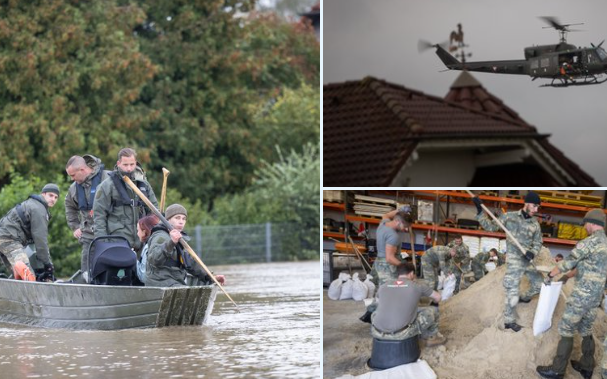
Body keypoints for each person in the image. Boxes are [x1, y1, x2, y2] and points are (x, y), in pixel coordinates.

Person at [537, 209, 607, 379]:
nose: (585, 228)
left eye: (585, 225)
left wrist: (551, 275)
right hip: (596, 298)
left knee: (566, 329)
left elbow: (569, 262)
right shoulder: (605, 243)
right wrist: (568, 277)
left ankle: (557, 370)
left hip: (581, 296)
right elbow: (587, 266)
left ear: (591, 223)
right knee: (586, 329)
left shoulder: (589, 242)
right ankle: (586, 366)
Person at [473, 191, 544, 332]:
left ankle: (525, 297)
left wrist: (532, 252)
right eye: (535, 206)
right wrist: (480, 211)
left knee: (539, 284)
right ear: (527, 204)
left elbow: (538, 242)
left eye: (538, 207)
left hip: (527, 260)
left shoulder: (535, 224)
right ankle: (509, 321)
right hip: (514, 261)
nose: (536, 210)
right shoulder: (509, 217)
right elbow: (491, 227)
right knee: (512, 291)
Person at [93, 148, 158, 250]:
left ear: (136, 163)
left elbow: (155, 212)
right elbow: (99, 217)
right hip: (117, 243)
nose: (129, 168)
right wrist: (103, 244)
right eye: (125, 165)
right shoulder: (107, 186)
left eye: (132, 164)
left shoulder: (144, 184)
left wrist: (155, 237)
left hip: (142, 243)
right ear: (118, 163)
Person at [146, 204, 225, 287]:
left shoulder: (179, 239)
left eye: (184, 219)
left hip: (175, 281)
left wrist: (211, 277)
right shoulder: (160, 236)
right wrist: (171, 243)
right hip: (160, 282)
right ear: (168, 219)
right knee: (185, 291)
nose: (181, 221)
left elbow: (190, 263)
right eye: (177, 218)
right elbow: (154, 259)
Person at [371, 262, 446, 347]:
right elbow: (438, 297)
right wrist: (433, 303)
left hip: (376, 332)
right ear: (411, 274)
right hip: (401, 334)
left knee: (375, 312)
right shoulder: (417, 286)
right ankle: (432, 338)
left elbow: (376, 303)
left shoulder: (383, 286)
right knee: (433, 310)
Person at [359, 206, 411, 323]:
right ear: (397, 221)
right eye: (405, 226)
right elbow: (390, 258)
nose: (406, 230)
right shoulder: (393, 236)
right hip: (386, 266)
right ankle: (380, 320)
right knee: (388, 293)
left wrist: (400, 210)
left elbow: (387, 215)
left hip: (378, 262)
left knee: (382, 292)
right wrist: (404, 266)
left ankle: (370, 313)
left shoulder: (383, 224)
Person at [64, 154, 111, 281]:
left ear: (82, 170)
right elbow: (69, 207)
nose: (72, 179)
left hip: (111, 233)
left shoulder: (108, 178)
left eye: (73, 175)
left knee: (110, 268)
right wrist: (75, 227)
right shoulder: (74, 188)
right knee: (86, 271)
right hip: (88, 236)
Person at [0, 183, 60, 282]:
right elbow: (40, 240)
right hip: (9, 239)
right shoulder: (39, 210)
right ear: (43, 194)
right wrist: (48, 265)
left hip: (4, 237)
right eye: (50, 195)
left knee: (18, 277)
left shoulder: (31, 203)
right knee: (29, 276)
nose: (53, 199)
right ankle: (19, 265)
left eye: (56, 197)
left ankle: (16, 269)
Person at [135, 214, 160, 285]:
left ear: (144, 231)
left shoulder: (148, 247)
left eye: (138, 230)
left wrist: (134, 259)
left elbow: (143, 277)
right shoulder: (162, 241)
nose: (137, 234)